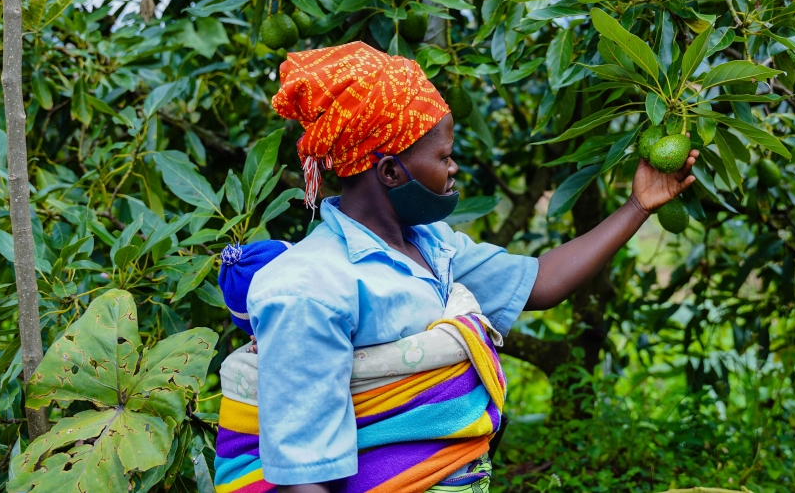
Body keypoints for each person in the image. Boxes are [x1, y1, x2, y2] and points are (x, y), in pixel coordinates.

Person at [222, 42, 697, 493]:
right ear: (390, 172)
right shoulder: (310, 288)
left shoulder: (432, 247)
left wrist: (639, 205)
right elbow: (304, 473)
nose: (453, 169)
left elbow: (541, 282)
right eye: (444, 157)